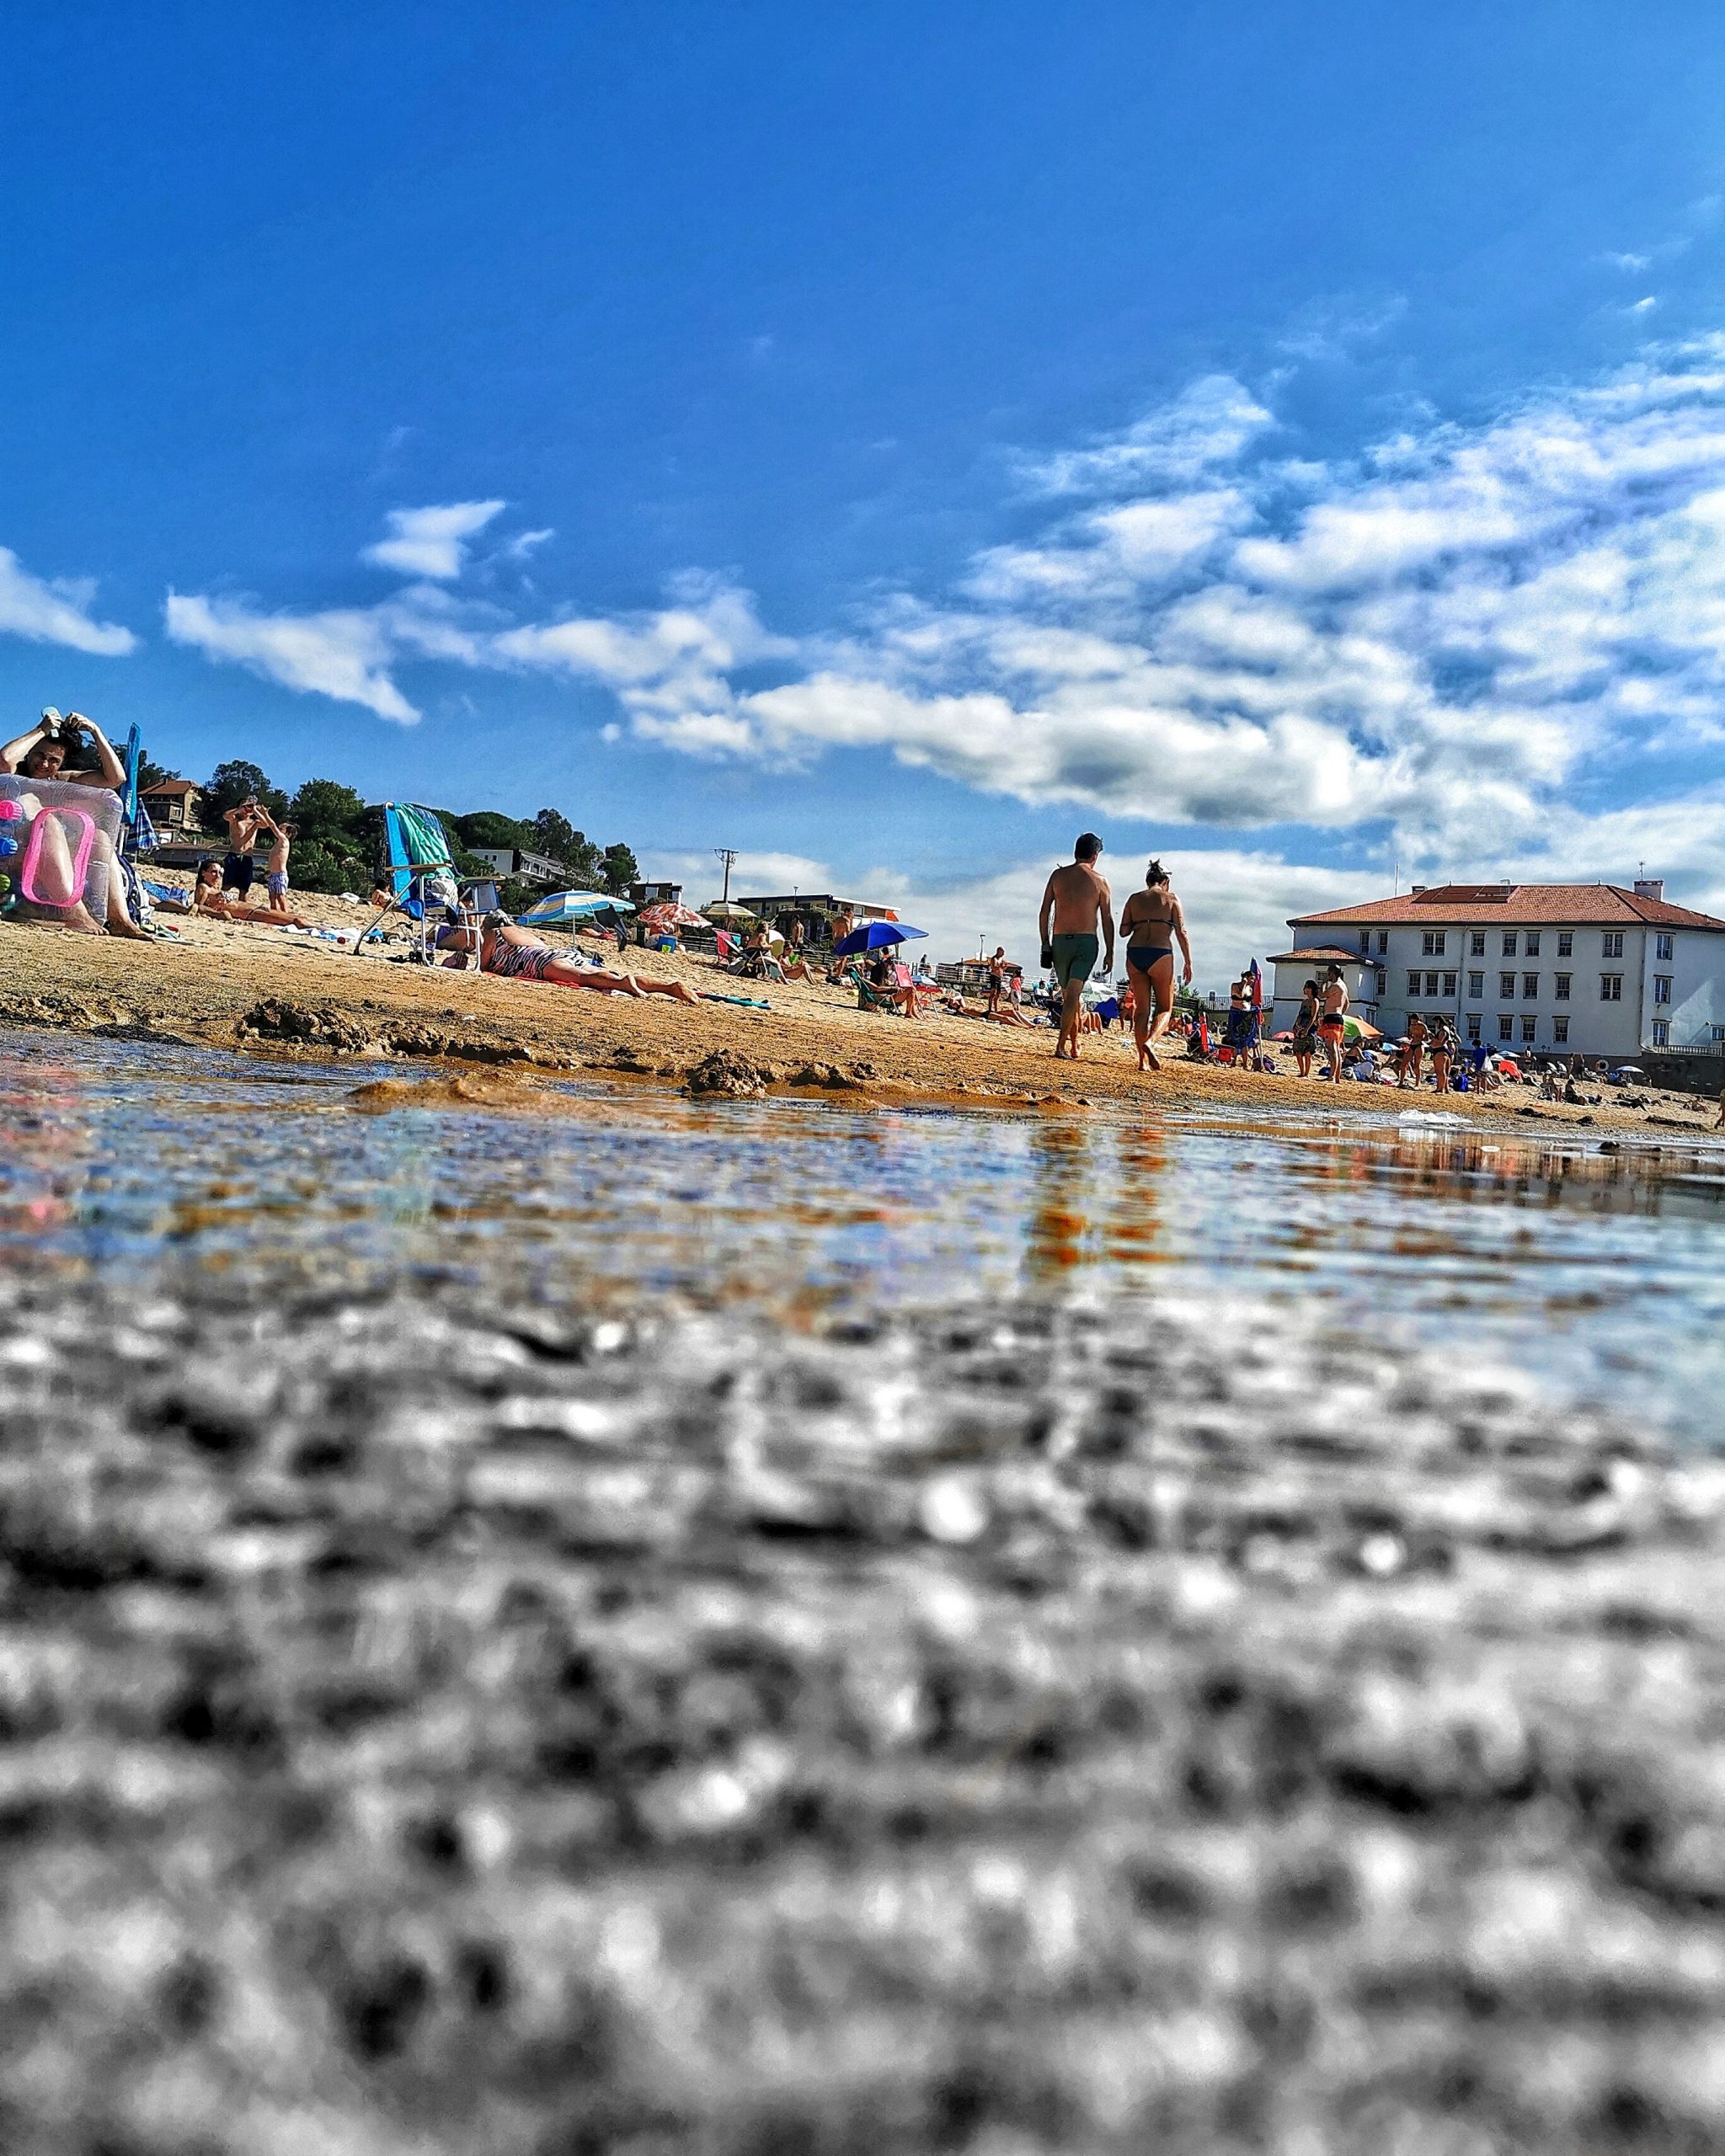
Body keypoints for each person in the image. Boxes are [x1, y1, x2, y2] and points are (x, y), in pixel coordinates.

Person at [0, 710, 149, 939]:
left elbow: (115, 779)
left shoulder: (64, 781)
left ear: (61, 763)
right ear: (29, 754)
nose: (45, 763)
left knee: (100, 836)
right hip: (16, 862)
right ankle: (75, 912)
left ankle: (120, 919)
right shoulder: (16, 779)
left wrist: (95, 732)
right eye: (39, 755)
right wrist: (41, 729)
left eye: (54, 760)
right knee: (48, 821)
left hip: (57, 869)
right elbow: (4, 760)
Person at [478, 913, 696, 1001]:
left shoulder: (495, 936)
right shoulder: (522, 935)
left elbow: (484, 965)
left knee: (583, 978)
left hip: (538, 962)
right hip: (558, 952)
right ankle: (669, 988)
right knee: (593, 971)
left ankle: (623, 983)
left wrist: (486, 933)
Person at [1037, 833, 1114, 1060]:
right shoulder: (1100, 881)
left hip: (1060, 941)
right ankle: (1064, 1045)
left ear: (1075, 852)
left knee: (1070, 995)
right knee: (1072, 996)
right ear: (1095, 855)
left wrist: (1045, 942)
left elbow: (1044, 912)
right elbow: (1107, 919)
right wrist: (1110, 951)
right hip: (1085, 942)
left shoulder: (1057, 876)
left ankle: (1071, 1043)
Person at [1114, 859, 1194, 1073]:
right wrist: (1188, 961)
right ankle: (1151, 1043)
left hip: (1135, 952)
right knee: (1165, 1008)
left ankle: (1142, 1062)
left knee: (1141, 1010)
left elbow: (1123, 932)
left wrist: (1141, 921)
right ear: (1166, 881)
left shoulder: (1134, 899)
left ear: (1147, 880)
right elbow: (1181, 932)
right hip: (1161, 954)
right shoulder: (1172, 899)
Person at [189, 859, 320, 928]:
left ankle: (324, 928)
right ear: (203, 873)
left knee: (295, 917)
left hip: (253, 908)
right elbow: (198, 907)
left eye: (219, 873)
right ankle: (326, 930)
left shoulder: (213, 889)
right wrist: (216, 911)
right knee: (296, 921)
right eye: (213, 872)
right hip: (249, 913)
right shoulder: (203, 887)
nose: (217, 876)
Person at [221, 796, 268, 899]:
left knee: (244, 888)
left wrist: (255, 810)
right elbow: (225, 815)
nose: (247, 809)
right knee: (227, 884)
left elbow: (266, 824)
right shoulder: (234, 820)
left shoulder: (254, 823)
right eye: (245, 806)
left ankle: (242, 909)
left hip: (247, 856)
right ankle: (219, 903)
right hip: (234, 854)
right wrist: (240, 809)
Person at [259, 812, 296, 915]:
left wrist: (266, 814)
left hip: (280, 874)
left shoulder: (284, 840)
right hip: (273, 874)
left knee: (280, 896)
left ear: (288, 834)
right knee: (272, 896)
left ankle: (285, 914)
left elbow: (272, 825)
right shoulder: (278, 843)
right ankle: (275, 913)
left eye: (282, 829)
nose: (279, 830)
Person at [1317, 964, 1349, 1081]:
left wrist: (1323, 983)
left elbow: (1321, 995)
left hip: (1331, 1018)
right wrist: (1341, 1013)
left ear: (1333, 973)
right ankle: (1336, 1077)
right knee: (1336, 1047)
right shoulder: (1344, 987)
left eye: (1329, 973)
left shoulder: (1335, 986)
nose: (1327, 975)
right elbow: (1347, 1003)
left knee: (1332, 1048)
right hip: (1338, 1018)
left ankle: (1331, 1076)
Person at [1290, 978, 1320, 1079]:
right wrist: (1296, 1025)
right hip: (1301, 1025)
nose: (1304, 989)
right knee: (1298, 1049)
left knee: (1307, 1051)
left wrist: (1307, 1028)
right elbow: (1300, 1015)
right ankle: (1301, 1072)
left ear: (1310, 989)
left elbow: (1314, 1016)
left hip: (1310, 1026)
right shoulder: (1304, 1002)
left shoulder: (1315, 1001)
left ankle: (1306, 1073)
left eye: (1306, 988)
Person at [1430, 1022, 1454, 1095]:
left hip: (1441, 1051)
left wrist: (1432, 1037)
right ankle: (1444, 1088)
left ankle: (1441, 1089)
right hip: (1442, 1051)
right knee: (1443, 1072)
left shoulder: (1443, 1031)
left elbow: (1440, 1041)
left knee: (1441, 1071)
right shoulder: (1446, 1031)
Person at [985, 946, 1007, 1017]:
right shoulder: (994, 959)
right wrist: (1000, 966)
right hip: (994, 977)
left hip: (999, 977)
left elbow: (1002, 969)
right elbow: (993, 968)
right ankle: (990, 1008)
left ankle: (996, 1009)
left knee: (998, 994)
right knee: (993, 993)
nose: (1003, 954)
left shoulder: (1001, 959)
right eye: (1002, 952)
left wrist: (1004, 967)